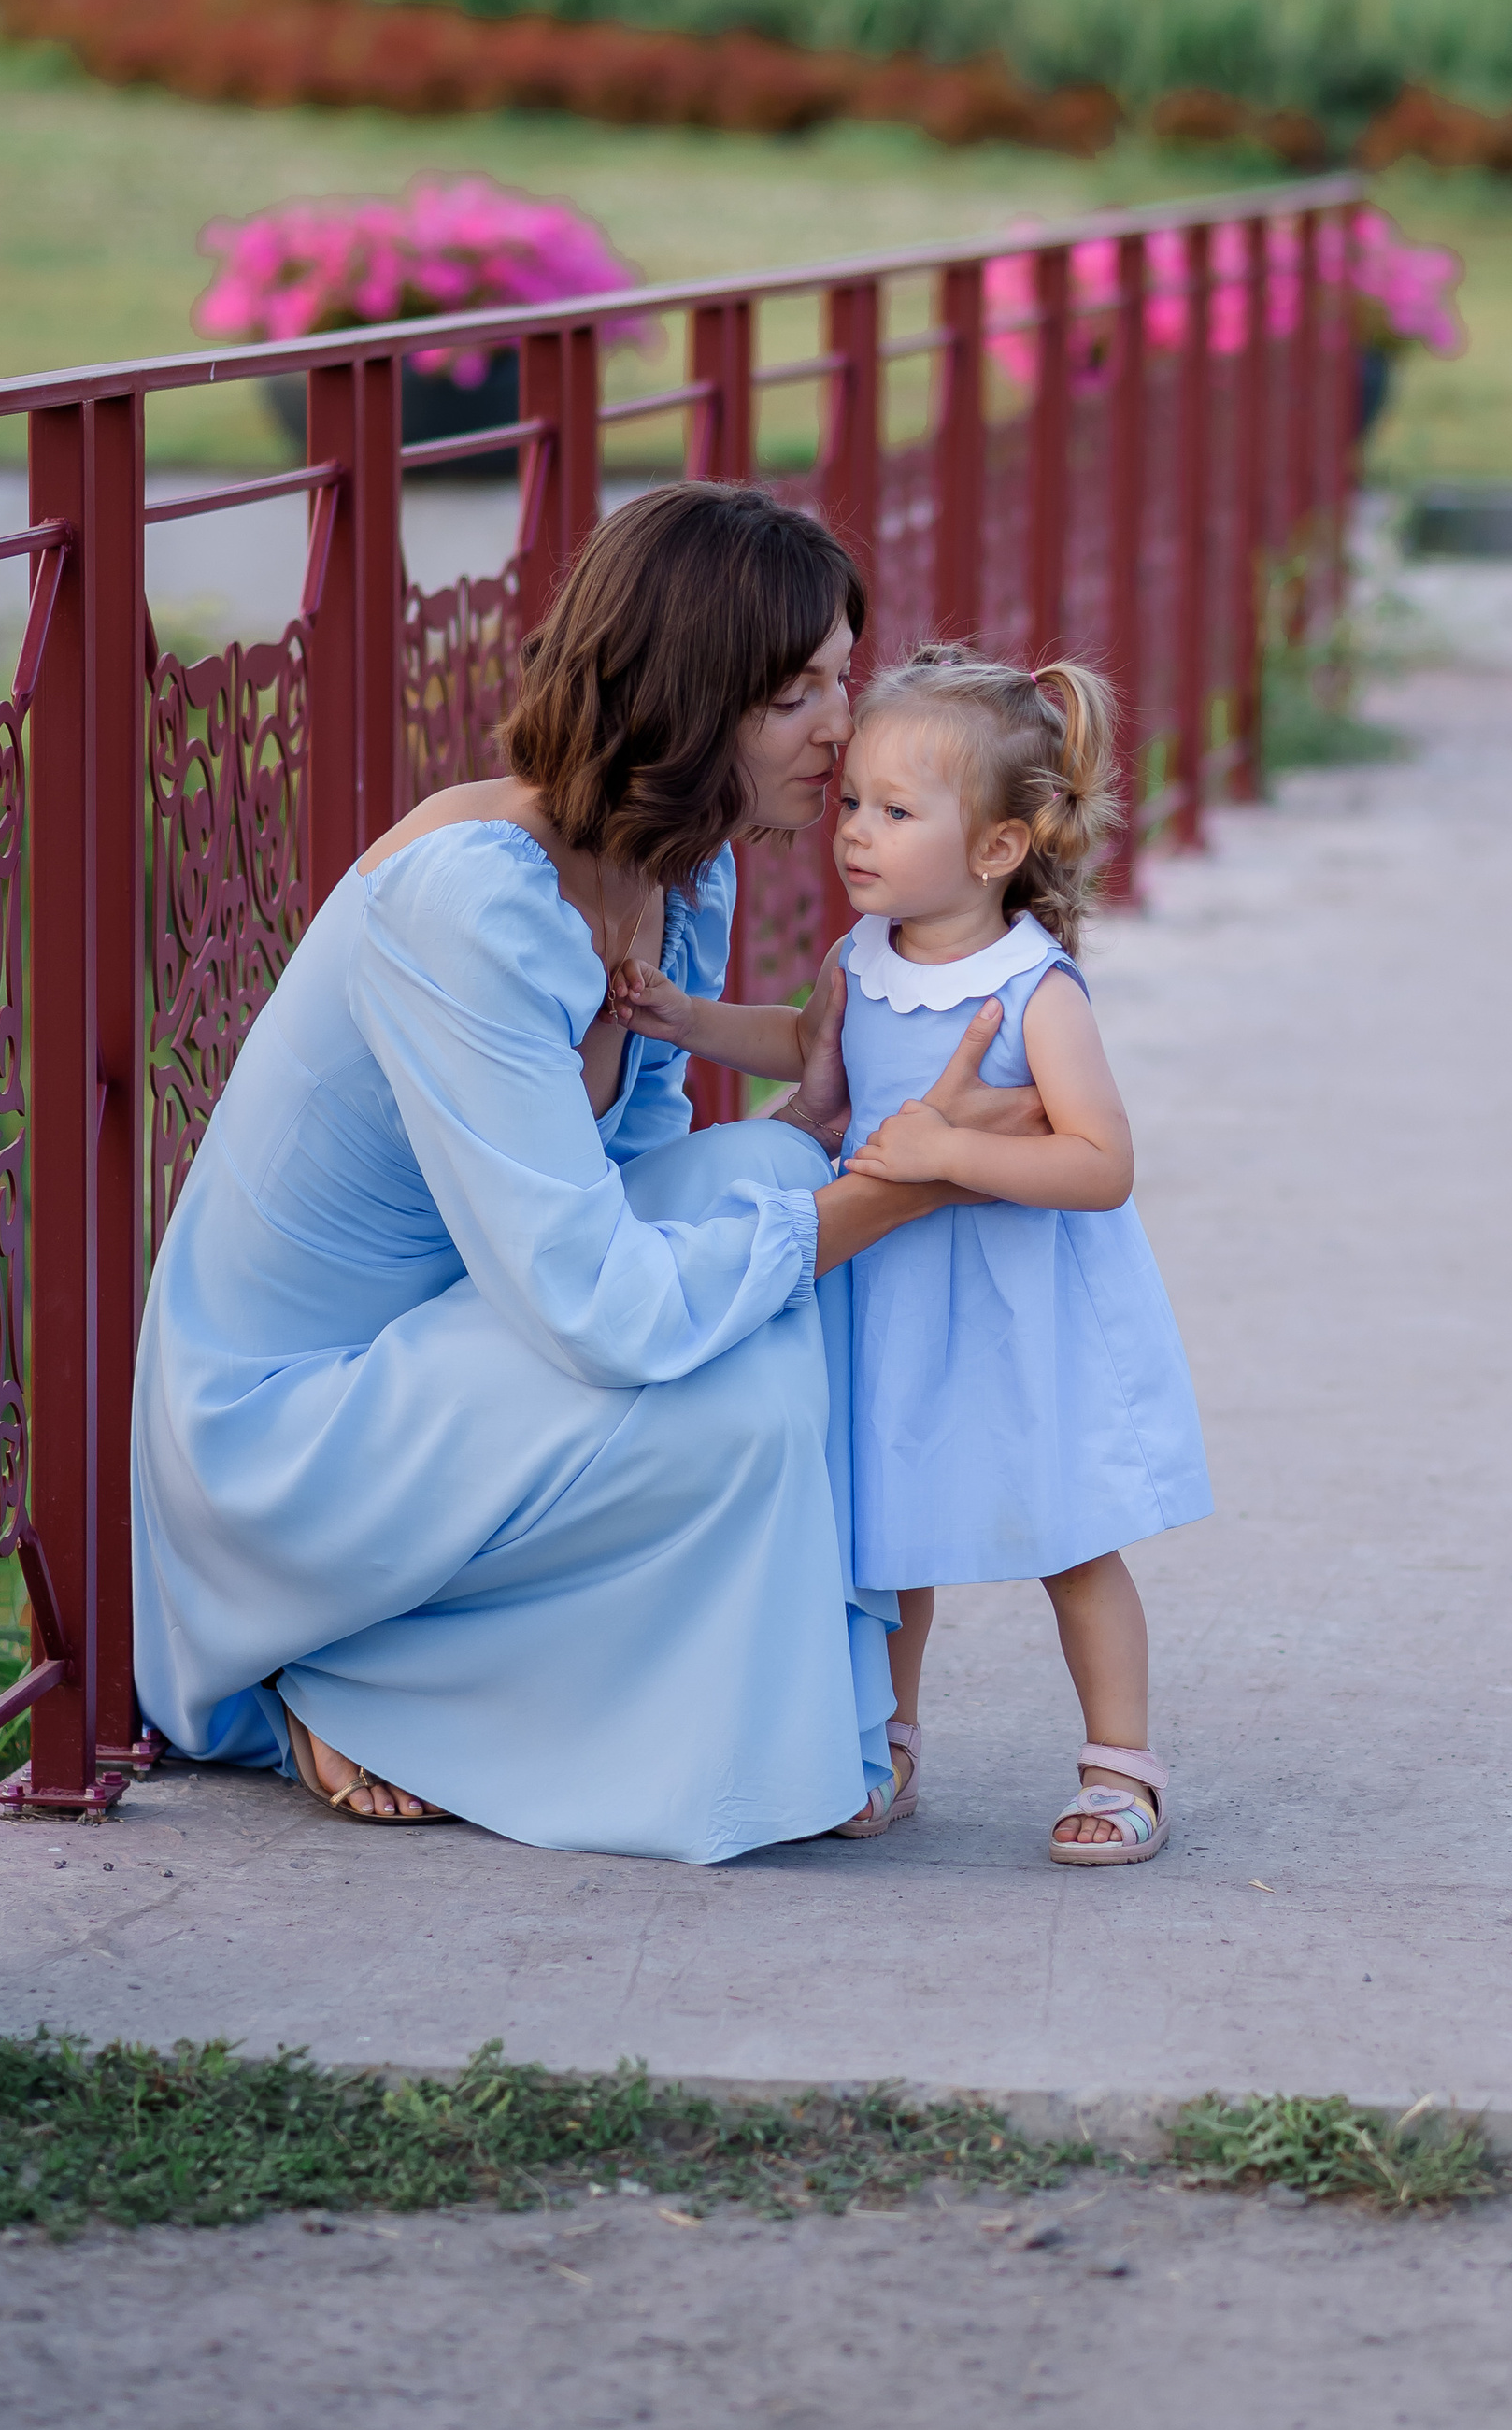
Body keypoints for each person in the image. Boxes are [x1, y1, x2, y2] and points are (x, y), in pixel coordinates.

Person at [129, 484, 1032, 1859]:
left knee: (786, 1237)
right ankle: (350, 1673)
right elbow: (603, 1311)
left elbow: (642, 1184)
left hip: (460, 1370)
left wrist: (824, 1128)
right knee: (748, 1387)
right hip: (296, 1451)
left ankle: (515, 1686)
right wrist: (897, 1179)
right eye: (796, 694)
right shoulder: (476, 901)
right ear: (685, 696)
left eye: (842, 677)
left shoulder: (676, 873)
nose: (847, 728)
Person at [609, 642, 1210, 1865]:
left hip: (1014, 1301)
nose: (855, 835)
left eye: (895, 811)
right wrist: (686, 1017)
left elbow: (1101, 1160)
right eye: (851, 806)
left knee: (1069, 1536)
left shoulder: (1035, 990)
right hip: (894, 1296)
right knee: (888, 1532)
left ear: (996, 848)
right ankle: (883, 1744)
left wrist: (949, 1152)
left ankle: (1121, 1763)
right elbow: (808, 1048)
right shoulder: (856, 959)